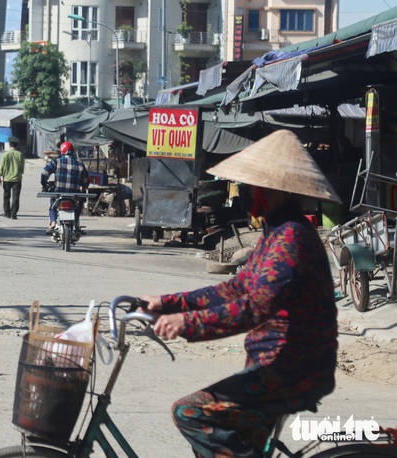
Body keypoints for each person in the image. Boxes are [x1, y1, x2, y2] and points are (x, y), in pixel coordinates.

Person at [141, 130, 341, 458]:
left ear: (269, 189)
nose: (243, 193)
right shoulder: (274, 232)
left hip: (293, 371)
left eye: (248, 186)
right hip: (276, 366)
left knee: (189, 412)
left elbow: (255, 306)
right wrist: (170, 303)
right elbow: (236, 288)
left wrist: (186, 323)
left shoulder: (290, 238)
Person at [40, 141, 89, 235]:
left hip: (59, 192)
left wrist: (44, 184)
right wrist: (83, 187)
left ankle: (53, 223)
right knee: (79, 205)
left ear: (62, 151)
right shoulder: (80, 164)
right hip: (75, 194)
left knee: (53, 205)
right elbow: (86, 181)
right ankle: (76, 223)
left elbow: (44, 173)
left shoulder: (56, 162)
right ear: (73, 152)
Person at [0, 136, 25, 219]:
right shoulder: (20, 154)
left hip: (6, 178)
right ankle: (14, 214)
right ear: (17, 146)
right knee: (15, 197)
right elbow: (21, 168)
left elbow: (1, 166)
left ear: (9, 145)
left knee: (6, 196)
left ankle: (7, 213)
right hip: (17, 179)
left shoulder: (5, 154)